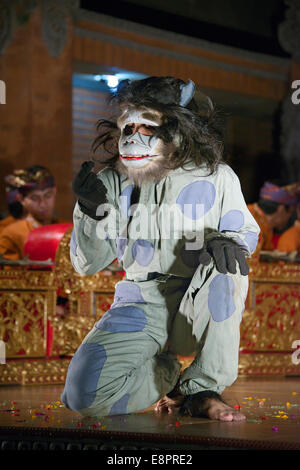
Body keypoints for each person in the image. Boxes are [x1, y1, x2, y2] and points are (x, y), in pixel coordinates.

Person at [61, 76, 260, 421]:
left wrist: (229, 242)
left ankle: (203, 389)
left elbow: (243, 230)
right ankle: (169, 377)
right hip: (139, 300)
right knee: (81, 397)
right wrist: (91, 212)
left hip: (195, 300)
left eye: (146, 126)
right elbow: (86, 264)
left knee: (230, 264)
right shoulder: (111, 181)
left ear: (177, 128)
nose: (133, 136)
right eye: (129, 126)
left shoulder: (218, 177)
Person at [0, 165, 60, 260]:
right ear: (21, 199)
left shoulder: (68, 227)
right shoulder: (13, 234)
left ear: (55, 191)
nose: (43, 204)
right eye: (35, 198)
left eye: (48, 195)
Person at [247, 181, 297, 254]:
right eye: (290, 212)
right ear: (281, 209)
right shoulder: (249, 220)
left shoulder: (266, 226)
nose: (289, 217)